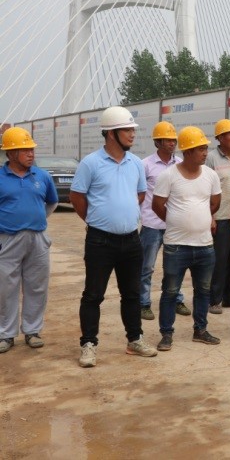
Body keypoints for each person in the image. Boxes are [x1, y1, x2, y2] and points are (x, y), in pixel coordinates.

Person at [70, 106, 158, 368]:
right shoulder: (91, 163)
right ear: (111, 133)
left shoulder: (136, 164)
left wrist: (122, 214)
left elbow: (140, 194)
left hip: (131, 240)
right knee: (93, 295)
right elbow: (76, 197)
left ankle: (134, 339)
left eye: (132, 129)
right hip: (100, 241)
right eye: (127, 130)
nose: (132, 134)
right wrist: (97, 219)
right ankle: (88, 344)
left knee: (131, 294)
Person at [152, 126, 222, 351]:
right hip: (176, 247)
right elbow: (157, 205)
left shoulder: (210, 175)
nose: (205, 153)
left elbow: (215, 202)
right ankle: (166, 334)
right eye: (201, 149)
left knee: (203, 290)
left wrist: (203, 218)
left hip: (205, 246)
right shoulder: (168, 175)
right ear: (188, 151)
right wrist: (176, 220)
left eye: (205, 148)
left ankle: (200, 330)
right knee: (170, 292)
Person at [0, 128, 58, 353]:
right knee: (6, 288)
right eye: (24, 150)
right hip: (8, 239)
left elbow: (52, 202)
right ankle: (6, 334)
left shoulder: (42, 176)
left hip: (38, 238)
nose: (31, 153)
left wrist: (37, 220)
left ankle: (32, 331)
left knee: (37, 286)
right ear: (10, 153)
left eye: (31, 149)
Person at [139, 121, 187, 321]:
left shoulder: (180, 164)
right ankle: (143, 303)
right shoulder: (145, 165)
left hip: (174, 225)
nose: (172, 143)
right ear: (157, 142)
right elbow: (139, 193)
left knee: (175, 266)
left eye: (173, 139)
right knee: (146, 267)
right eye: (167, 140)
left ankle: (175, 299)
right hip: (152, 224)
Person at [207, 119, 230, 314]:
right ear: (220, 138)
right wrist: (210, 216)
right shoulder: (211, 158)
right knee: (219, 260)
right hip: (219, 217)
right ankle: (214, 300)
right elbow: (206, 189)